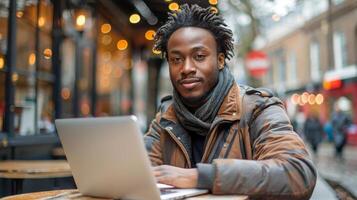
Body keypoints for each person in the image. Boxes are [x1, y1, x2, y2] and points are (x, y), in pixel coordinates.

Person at [144, 4, 316, 199]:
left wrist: (203, 176)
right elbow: (136, 173)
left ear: (220, 60)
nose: (186, 68)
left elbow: (298, 174)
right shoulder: (166, 117)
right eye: (176, 59)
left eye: (199, 56)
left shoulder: (258, 108)